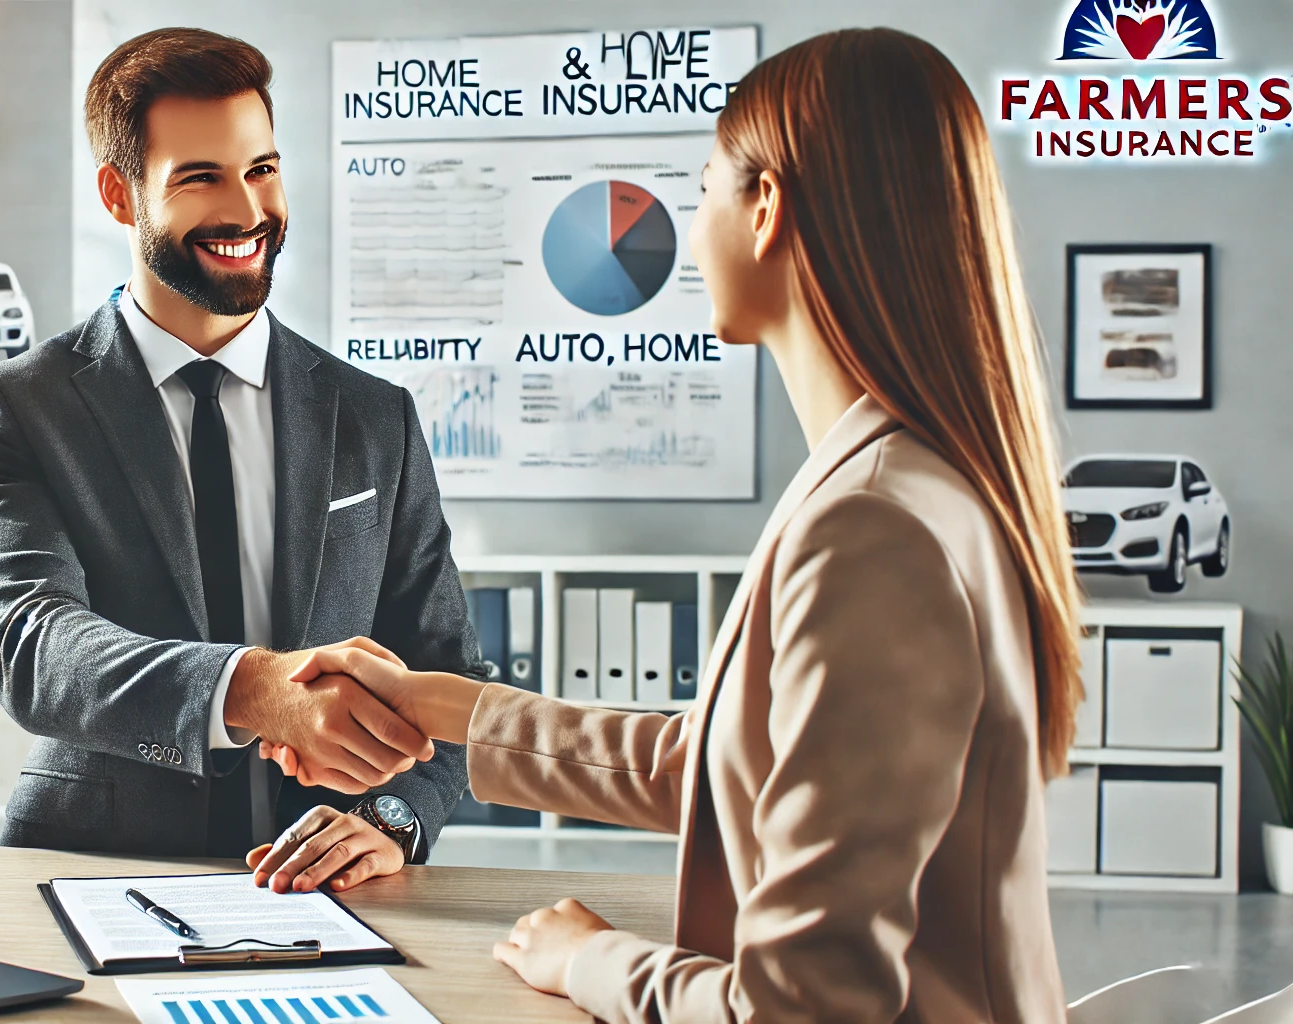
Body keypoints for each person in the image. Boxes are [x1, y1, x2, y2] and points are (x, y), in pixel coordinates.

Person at [257, 28, 1079, 1022]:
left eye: (700, 190)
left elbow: (803, 1007)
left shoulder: (872, 529)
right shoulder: (898, 482)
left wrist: (591, 958)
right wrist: (436, 705)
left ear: (765, 207)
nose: (689, 232)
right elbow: (723, 761)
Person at [0, 28, 479, 889]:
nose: (248, 211)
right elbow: (31, 646)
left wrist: (391, 817)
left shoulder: (377, 417)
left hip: (337, 893)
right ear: (120, 195)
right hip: (95, 871)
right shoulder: (13, 407)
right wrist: (252, 688)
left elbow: (448, 669)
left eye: (261, 169)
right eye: (201, 177)